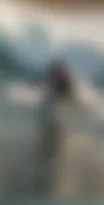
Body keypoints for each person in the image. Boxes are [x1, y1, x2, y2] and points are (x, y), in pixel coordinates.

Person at [35, 58, 74, 196]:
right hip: (55, 117)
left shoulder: (60, 84)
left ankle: (49, 168)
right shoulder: (60, 84)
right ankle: (50, 168)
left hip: (54, 118)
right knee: (52, 148)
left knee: (51, 147)